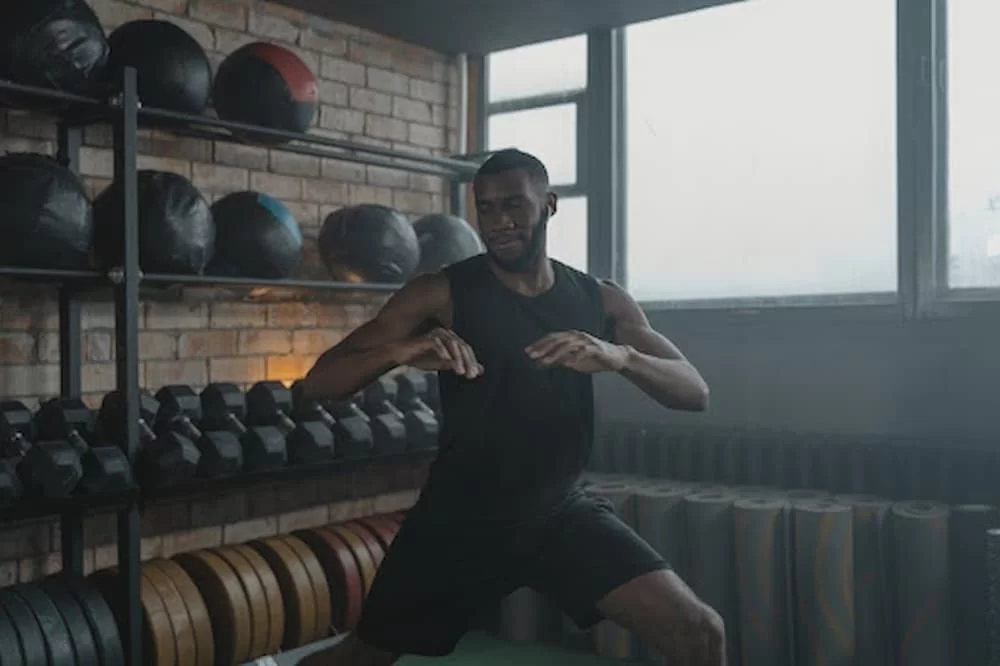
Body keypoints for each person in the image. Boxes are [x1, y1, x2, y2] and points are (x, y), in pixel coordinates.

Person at [296, 148, 725, 666]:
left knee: (700, 631)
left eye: (515, 205)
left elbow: (694, 392)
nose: (499, 221)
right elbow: (319, 382)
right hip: (457, 520)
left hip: (558, 512)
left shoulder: (601, 300)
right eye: (487, 208)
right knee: (358, 659)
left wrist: (621, 357)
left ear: (549, 204)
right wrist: (398, 352)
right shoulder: (439, 294)